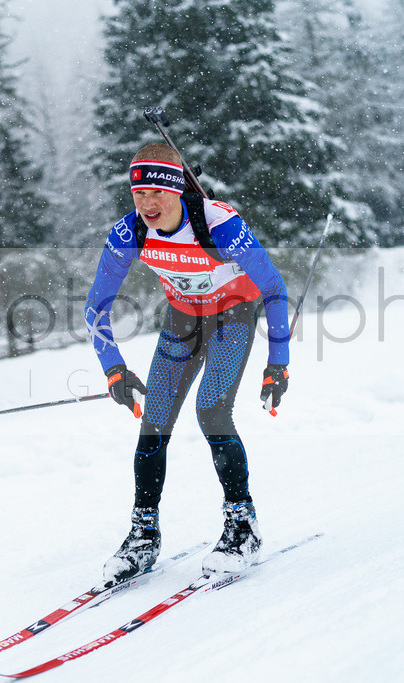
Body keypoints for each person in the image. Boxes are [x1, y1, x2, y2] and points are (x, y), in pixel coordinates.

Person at [84, 143, 290, 582]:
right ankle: (144, 536)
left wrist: (278, 363)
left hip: (234, 313)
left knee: (211, 411)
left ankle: (242, 526)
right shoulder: (130, 233)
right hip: (184, 318)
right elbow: (95, 308)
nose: (147, 204)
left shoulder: (218, 225)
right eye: (139, 194)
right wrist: (113, 367)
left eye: (157, 192)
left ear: (178, 190)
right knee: (154, 420)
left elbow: (273, 287)